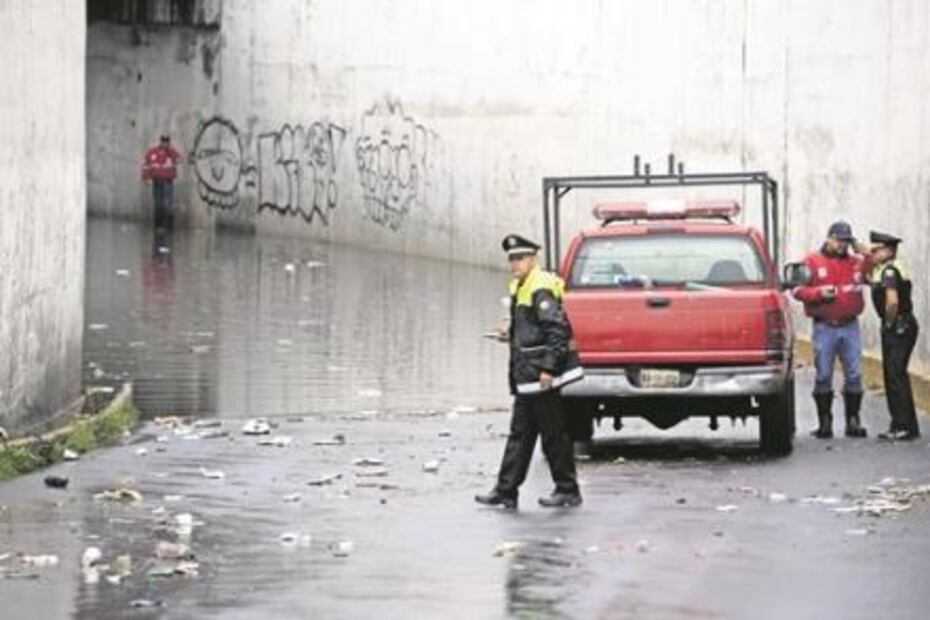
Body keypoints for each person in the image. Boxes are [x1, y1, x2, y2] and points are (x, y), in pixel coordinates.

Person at [475, 234, 584, 509]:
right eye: (511, 259)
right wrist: (509, 332)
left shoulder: (540, 287)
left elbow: (557, 330)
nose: (514, 264)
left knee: (552, 436)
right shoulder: (521, 285)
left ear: (533, 259)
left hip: (540, 377)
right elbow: (531, 328)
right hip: (528, 377)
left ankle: (567, 490)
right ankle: (506, 491)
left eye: (520, 258)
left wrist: (549, 369)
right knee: (521, 436)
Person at [792, 221, 872, 439]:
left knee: (854, 374)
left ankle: (853, 421)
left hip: (850, 325)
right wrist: (818, 293)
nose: (842, 245)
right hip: (824, 326)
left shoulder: (856, 262)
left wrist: (867, 255)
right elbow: (797, 290)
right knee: (824, 374)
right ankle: (825, 422)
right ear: (829, 238)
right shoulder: (811, 261)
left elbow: (873, 277)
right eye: (838, 240)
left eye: (846, 241)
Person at [869, 231, 921, 441]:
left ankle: (903, 426)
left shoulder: (889, 272)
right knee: (896, 374)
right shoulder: (887, 267)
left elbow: (892, 301)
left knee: (895, 375)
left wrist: (889, 323)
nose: (873, 252)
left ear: (888, 250)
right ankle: (907, 424)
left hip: (898, 326)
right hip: (903, 325)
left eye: (876, 249)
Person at [142, 134, 182, 228]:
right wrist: (145, 178)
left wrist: (170, 152)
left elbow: (179, 160)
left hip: (168, 181)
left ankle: (169, 225)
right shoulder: (152, 152)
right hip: (157, 181)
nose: (165, 143)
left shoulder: (171, 152)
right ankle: (158, 226)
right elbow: (145, 164)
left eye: (167, 141)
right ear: (160, 141)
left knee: (168, 204)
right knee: (158, 204)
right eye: (163, 141)